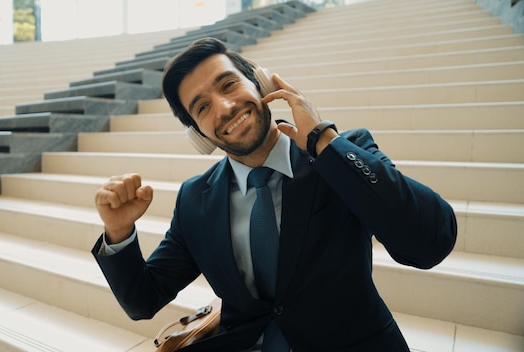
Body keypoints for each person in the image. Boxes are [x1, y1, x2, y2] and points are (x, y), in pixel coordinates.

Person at [91, 37, 457, 351]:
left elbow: (430, 243)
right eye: (202, 107)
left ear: (260, 85)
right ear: (197, 134)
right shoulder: (195, 198)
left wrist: (324, 142)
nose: (225, 107)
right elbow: (143, 300)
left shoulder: (342, 155)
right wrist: (118, 232)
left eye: (229, 85)